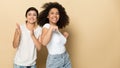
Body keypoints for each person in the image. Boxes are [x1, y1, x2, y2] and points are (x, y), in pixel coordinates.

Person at [38, 2, 72, 68]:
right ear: (48, 16)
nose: (55, 15)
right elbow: (44, 43)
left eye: (57, 13)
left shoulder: (57, 29)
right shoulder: (47, 26)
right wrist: (51, 28)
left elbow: (57, 44)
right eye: (52, 13)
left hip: (65, 57)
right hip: (55, 60)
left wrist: (65, 37)